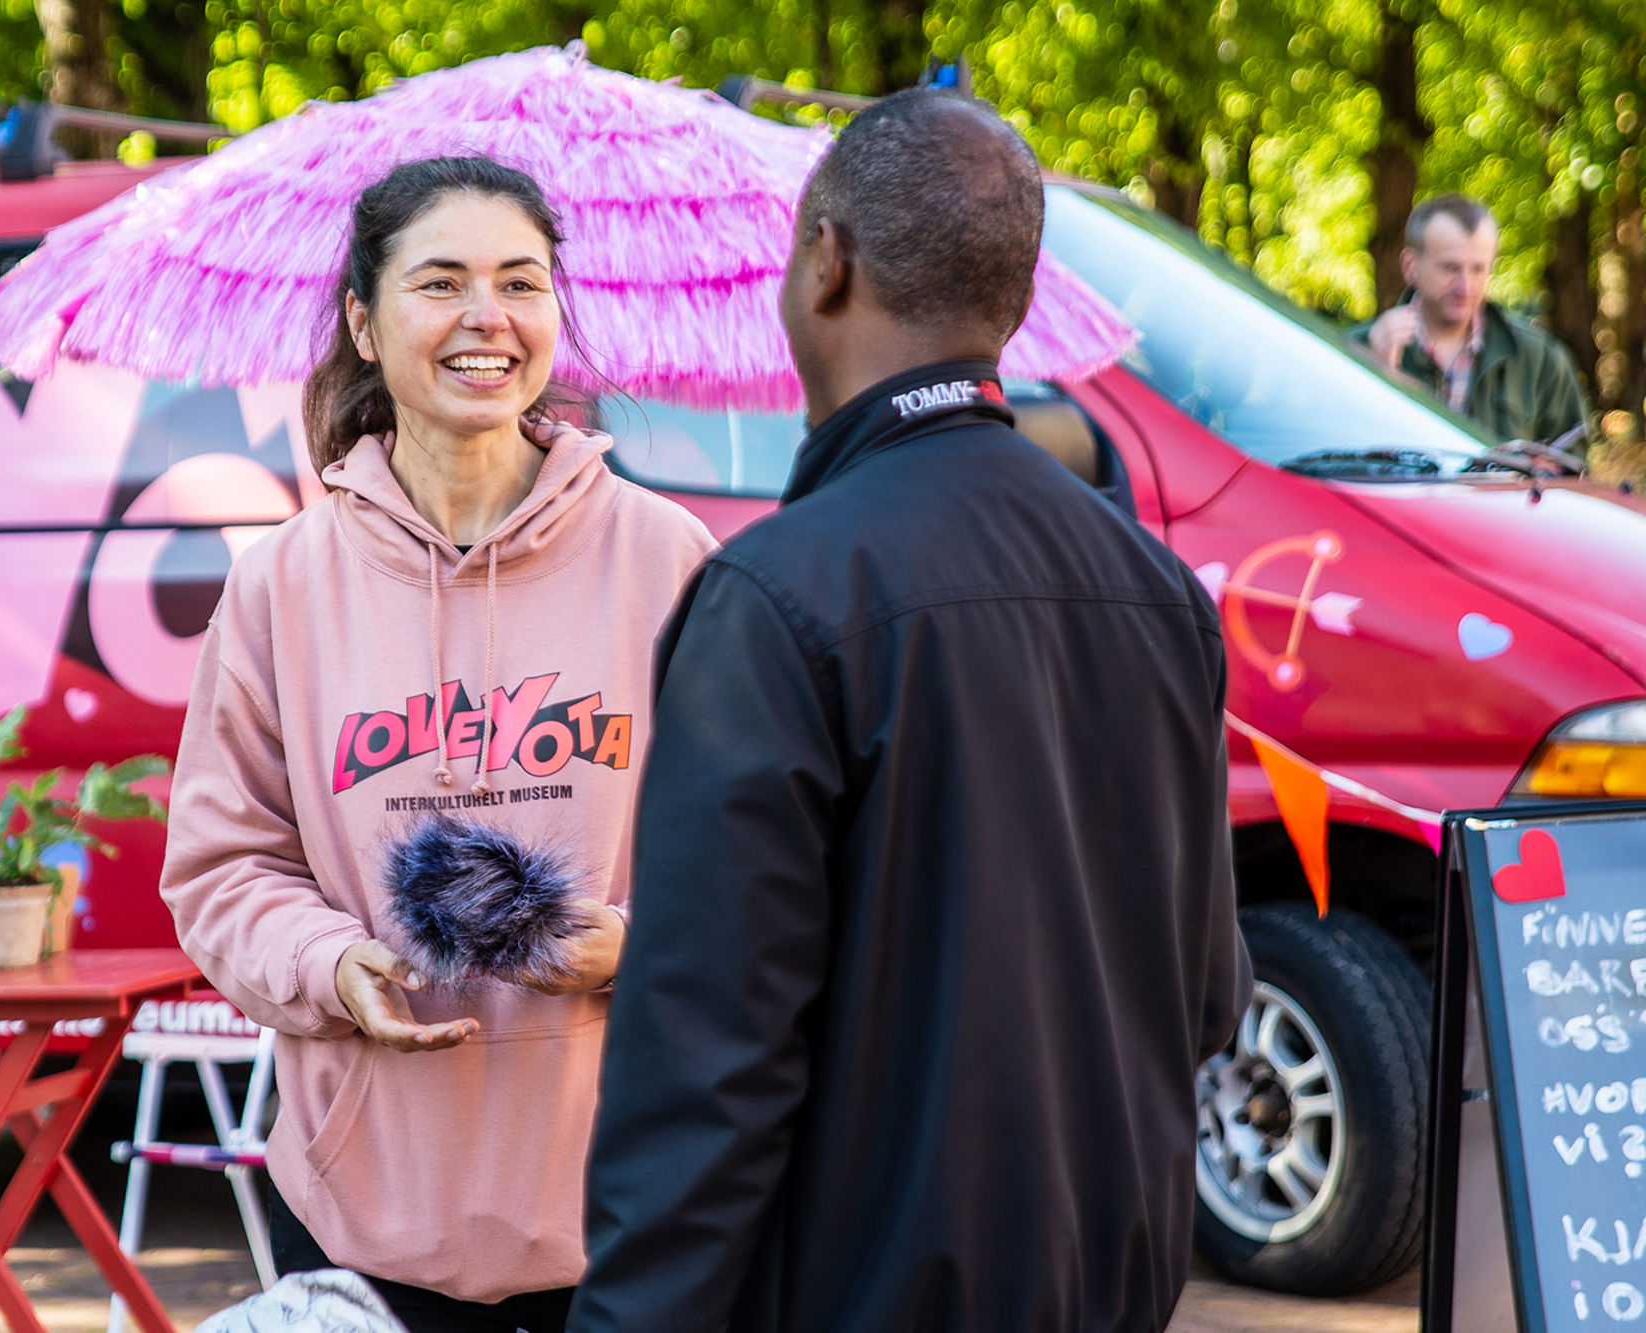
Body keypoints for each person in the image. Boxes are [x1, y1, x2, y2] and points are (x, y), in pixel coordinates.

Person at [567, 90, 1250, 1333]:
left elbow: (707, 1066)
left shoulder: (777, 597)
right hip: (1107, 1287)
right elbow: (1205, 995)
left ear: (827, 261)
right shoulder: (1157, 591)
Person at [160, 156, 715, 1333]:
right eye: (441, 282)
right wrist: (329, 961)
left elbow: (763, 861)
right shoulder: (280, 589)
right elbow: (222, 867)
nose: (487, 319)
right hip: (369, 1210)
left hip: (628, 1204)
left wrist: (633, 940)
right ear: (362, 321)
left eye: (521, 283)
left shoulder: (668, 560)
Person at [1353, 193, 1589, 448]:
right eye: (1450, 268)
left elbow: (1573, 465)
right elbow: (1333, 460)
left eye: (1478, 269)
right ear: (1410, 266)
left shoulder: (1541, 358)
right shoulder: (1356, 349)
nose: (1465, 286)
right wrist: (1380, 379)